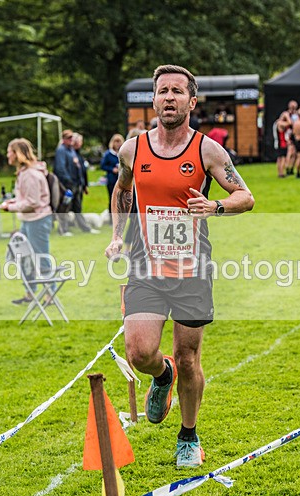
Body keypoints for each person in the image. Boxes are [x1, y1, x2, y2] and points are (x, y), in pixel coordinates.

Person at [104, 65, 255, 468]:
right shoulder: (132, 150)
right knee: (139, 352)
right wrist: (118, 235)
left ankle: (188, 436)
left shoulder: (208, 150)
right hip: (145, 265)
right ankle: (161, 375)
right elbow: (120, 192)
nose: (168, 97)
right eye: (162, 91)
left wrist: (216, 206)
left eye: (177, 91)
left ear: (191, 101)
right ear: (154, 100)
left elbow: (246, 195)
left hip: (191, 268)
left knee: (188, 356)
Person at [0, 137, 54, 305]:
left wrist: (11, 208)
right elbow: (27, 199)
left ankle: (49, 295)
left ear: (17, 154)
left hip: (37, 221)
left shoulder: (30, 174)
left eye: (10, 151)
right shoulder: (24, 172)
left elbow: (33, 203)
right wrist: (13, 203)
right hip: (28, 221)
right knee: (23, 257)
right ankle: (30, 293)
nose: (7, 154)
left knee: (41, 257)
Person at [71, 133, 100, 234]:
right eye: (78, 141)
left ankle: (73, 226)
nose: (79, 143)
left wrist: (85, 185)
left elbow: (83, 171)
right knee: (75, 208)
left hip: (80, 184)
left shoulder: (78, 154)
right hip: (73, 185)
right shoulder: (71, 154)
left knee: (76, 208)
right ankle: (85, 228)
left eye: (80, 141)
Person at [53, 130, 79, 236]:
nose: (71, 139)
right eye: (68, 138)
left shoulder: (71, 150)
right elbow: (60, 168)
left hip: (72, 182)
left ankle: (66, 227)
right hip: (65, 184)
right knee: (63, 206)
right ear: (63, 139)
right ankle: (62, 229)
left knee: (70, 206)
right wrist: (68, 180)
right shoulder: (61, 150)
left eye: (71, 137)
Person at [100, 134, 124, 220]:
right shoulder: (108, 154)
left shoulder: (123, 153)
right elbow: (102, 166)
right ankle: (112, 219)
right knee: (112, 199)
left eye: (119, 141)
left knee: (121, 200)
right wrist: (112, 169)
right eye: (116, 142)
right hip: (111, 180)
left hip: (121, 180)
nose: (118, 144)